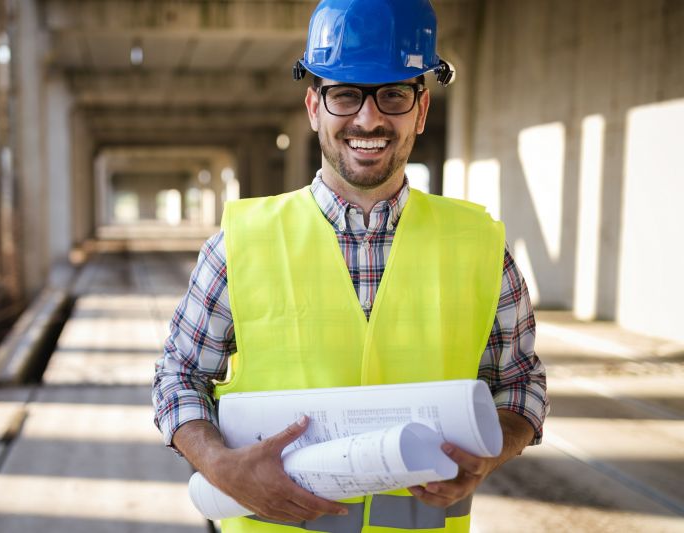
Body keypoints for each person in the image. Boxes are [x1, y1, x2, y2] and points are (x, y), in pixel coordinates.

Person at [153, 0, 548, 531]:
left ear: (421, 109)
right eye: (345, 95)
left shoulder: (480, 246)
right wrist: (222, 466)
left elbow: (521, 382)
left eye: (393, 94)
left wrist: (490, 453)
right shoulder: (240, 244)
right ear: (314, 107)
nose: (369, 118)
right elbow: (178, 376)